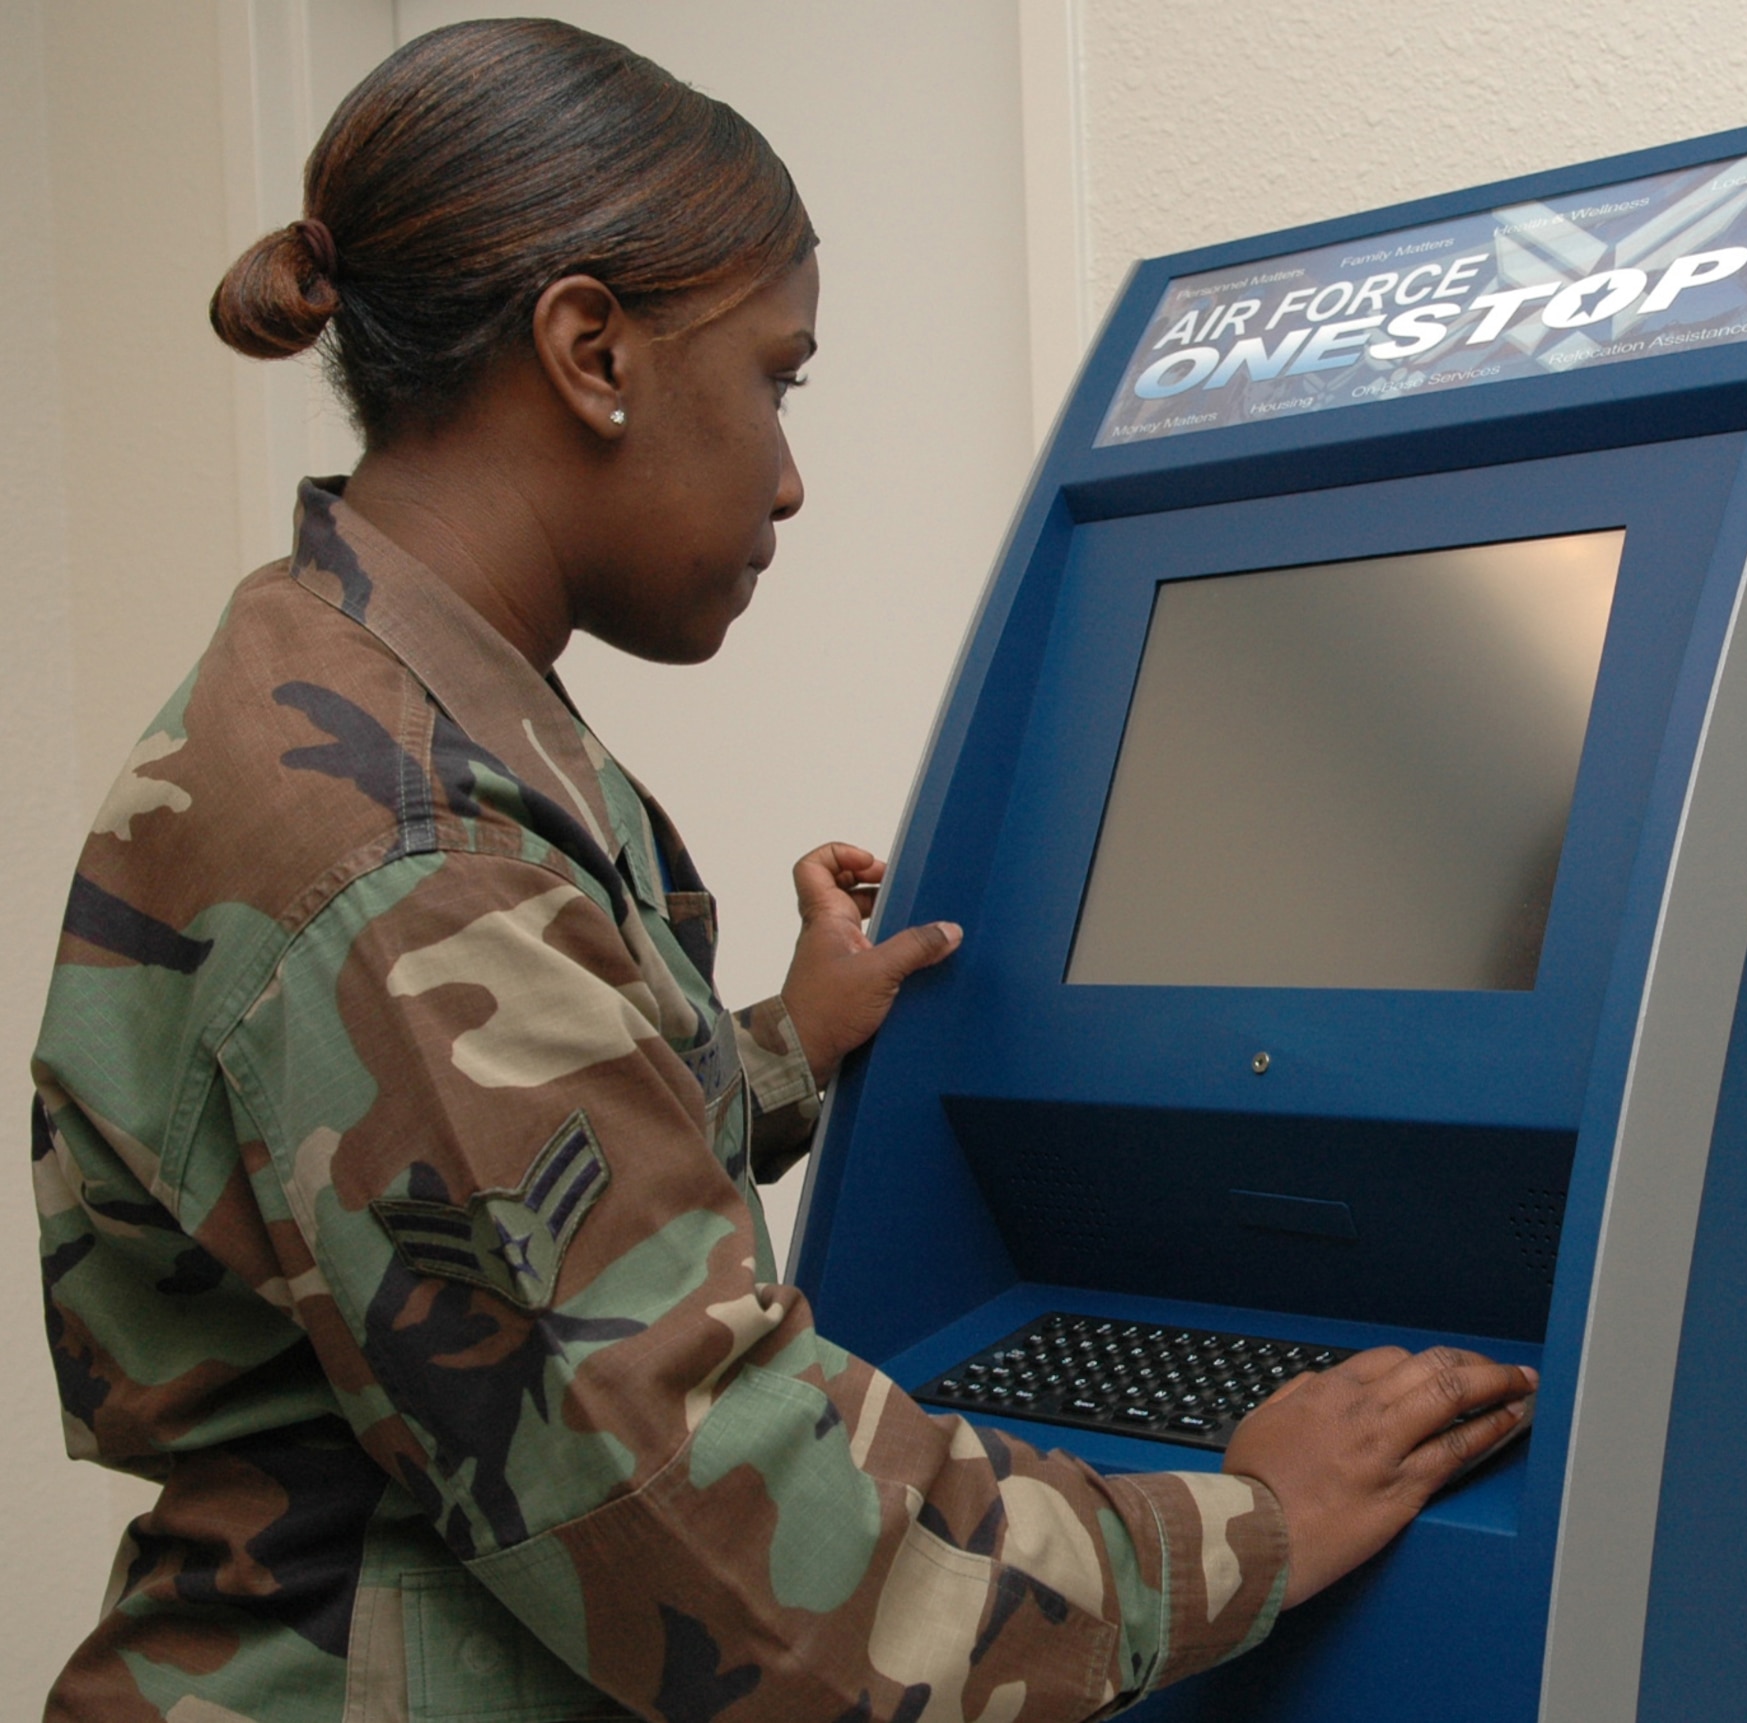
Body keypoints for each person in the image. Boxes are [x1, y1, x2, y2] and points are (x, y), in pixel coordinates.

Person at [31, 19, 1538, 1721]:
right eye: (775, 375)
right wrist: (1248, 1524)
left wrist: (775, 1052)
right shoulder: (404, 839)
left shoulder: (359, 692)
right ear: (591, 350)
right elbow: (754, 1559)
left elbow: (459, 1190)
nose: (793, 474)